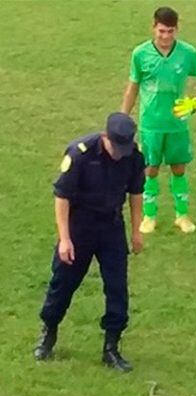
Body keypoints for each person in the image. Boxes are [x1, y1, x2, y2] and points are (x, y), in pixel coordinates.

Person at [33, 113, 145, 373]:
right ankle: (48, 332)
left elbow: (136, 193)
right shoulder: (80, 154)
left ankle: (111, 347)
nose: (120, 154)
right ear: (105, 137)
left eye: (124, 149)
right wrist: (65, 239)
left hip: (111, 227)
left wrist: (137, 230)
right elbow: (62, 197)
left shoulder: (133, 157)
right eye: (116, 148)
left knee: (117, 287)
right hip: (80, 226)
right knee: (62, 283)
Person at [121, 6, 196, 234]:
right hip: (150, 124)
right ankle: (149, 216)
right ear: (153, 27)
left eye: (170, 31)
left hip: (177, 124)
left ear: (177, 30)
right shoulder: (140, 54)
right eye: (161, 31)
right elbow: (133, 88)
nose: (165, 37)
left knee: (179, 168)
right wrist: (122, 118)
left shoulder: (187, 53)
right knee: (150, 169)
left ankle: (181, 215)